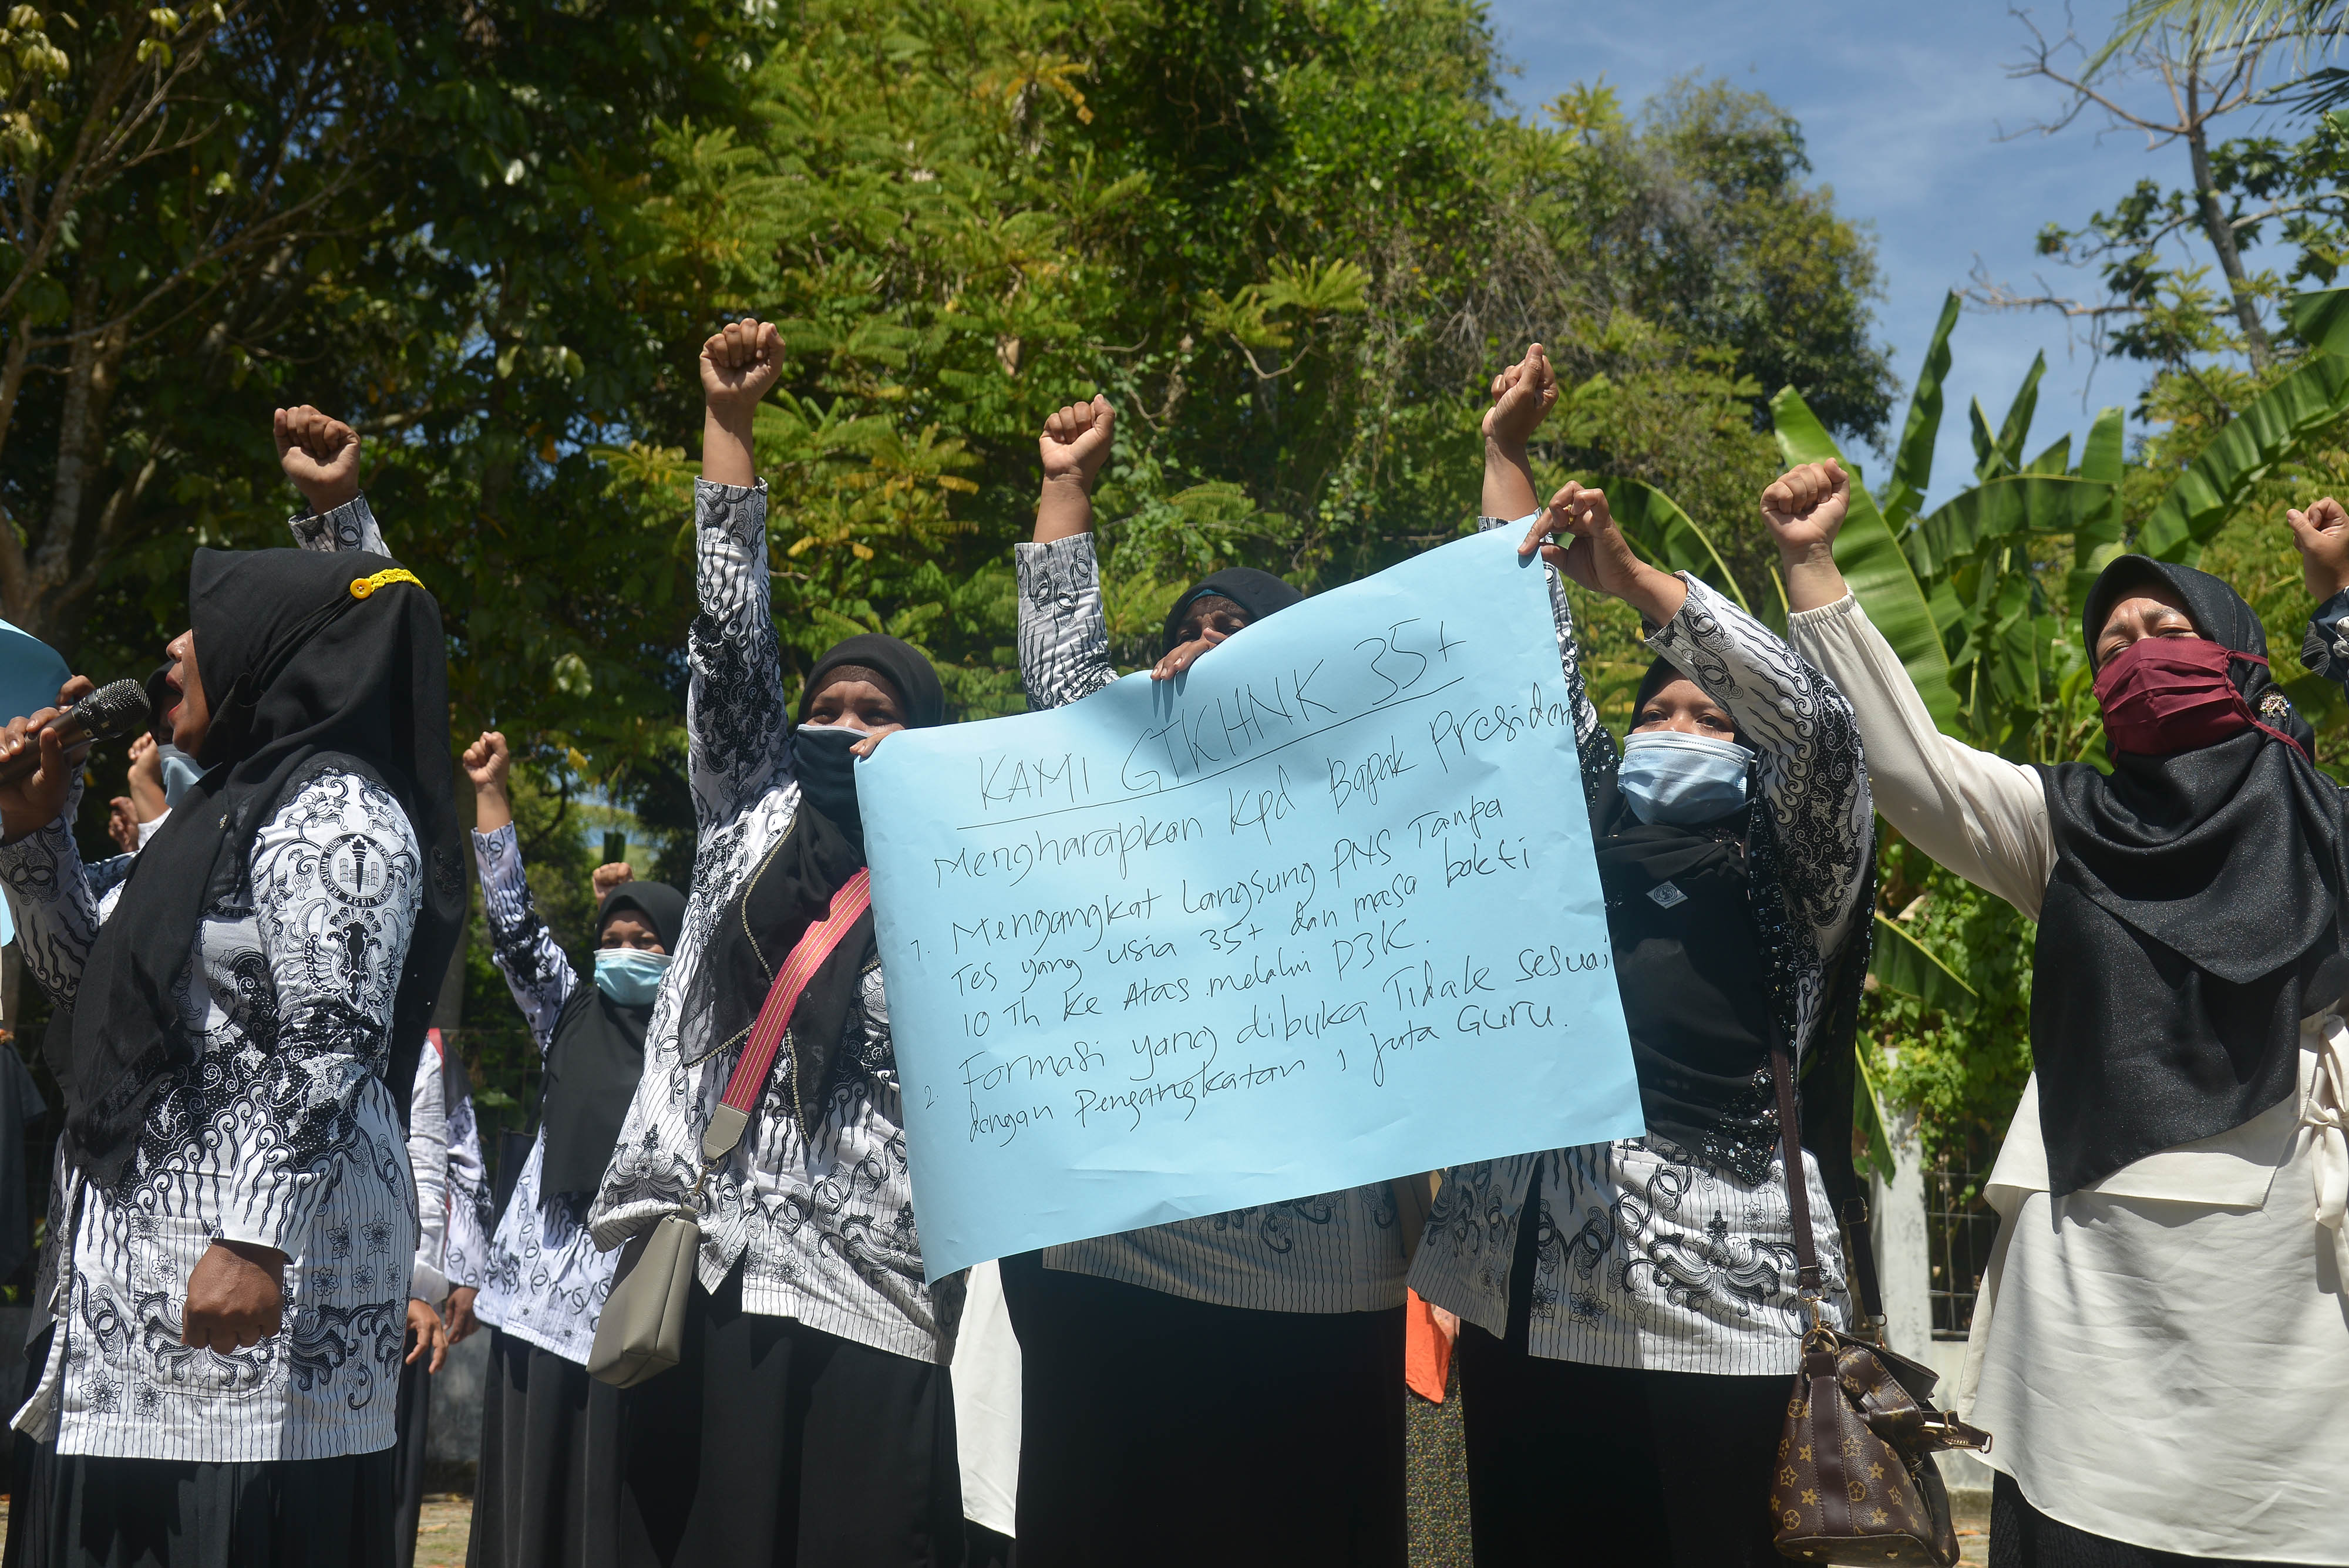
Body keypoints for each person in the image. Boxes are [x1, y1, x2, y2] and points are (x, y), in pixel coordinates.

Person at [1778, 462, 2349, 1566]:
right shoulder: (2065, 825)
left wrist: (2341, 601)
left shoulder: (2331, 830)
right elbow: (1912, 768)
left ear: (2236, 649)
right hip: (2095, 1321)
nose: (2135, 652)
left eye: (2160, 625)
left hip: (2292, 1325)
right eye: (2111, 645)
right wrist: (1811, 566)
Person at [1395, 345, 1873, 1567]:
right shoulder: (1569, 831)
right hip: (1526, 1310)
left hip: (1719, 1317)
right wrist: (1504, 459)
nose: (1676, 726)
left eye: (1706, 717)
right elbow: (1519, 671)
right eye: (1656, 709)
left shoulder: (1796, 858)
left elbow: (1816, 723)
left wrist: (1629, 580)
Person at [0, 519, 463, 1564]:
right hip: (139, 1319)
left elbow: (332, 1036)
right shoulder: (220, 818)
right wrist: (34, 836)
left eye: (196, 628)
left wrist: (255, 1237)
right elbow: (89, 982)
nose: (165, 655)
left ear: (269, 645)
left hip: (250, 1332)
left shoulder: (339, 808)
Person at [587, 317, 971, 1567]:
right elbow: (730, 648)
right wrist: (731, 431)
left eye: (879, 712)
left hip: (882, 1293)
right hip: (716, 1271)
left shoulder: (965, 873)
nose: (846, 727)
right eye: (829, 706)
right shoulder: (749, 817)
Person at [1002, 393, 1408, 1567]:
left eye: (1244, 630)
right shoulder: (1113, 795)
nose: (1208, 640)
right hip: (1119, 1262)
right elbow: (1060, 690)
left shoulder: (1364, 811)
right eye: (1194, 622)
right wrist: (1067, 489)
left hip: (1323, 1290)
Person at [459, 727, 687, 1567]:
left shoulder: (691, 1042)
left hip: (621, 1304)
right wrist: (492, 795)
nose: (623, 952)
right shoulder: (568, 1011)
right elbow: (517, 930)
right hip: (533, 1293)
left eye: (645, 941)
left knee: (605, 1497)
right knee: (524, 1487)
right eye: (613, 938)